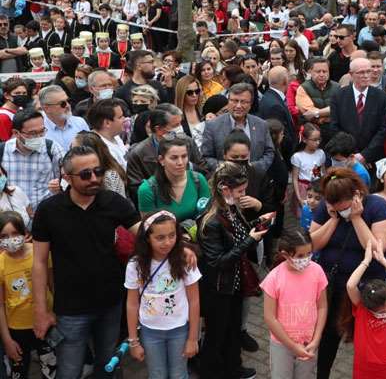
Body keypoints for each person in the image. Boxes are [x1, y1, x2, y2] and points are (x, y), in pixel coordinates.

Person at [31, 146, 145, 379]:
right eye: (85, 174)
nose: (94, 178)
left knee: (108, 364)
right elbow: (40, 262)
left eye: (98, 171)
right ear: (67, 177)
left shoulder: (113, 202)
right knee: (70, 370)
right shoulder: (49, 210)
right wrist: (41, 310)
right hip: (70, 308)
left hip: (111, 302)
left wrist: (179, 246)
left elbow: (144, 234)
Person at [309, 169, 386, 379]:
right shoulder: (328, 207)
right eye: (336, 207)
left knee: (365, 339)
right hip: (334, 284)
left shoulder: (377, 206)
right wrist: (334, 219)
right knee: (329, 335)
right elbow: (313, 243)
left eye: (345, 207)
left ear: (357, 195)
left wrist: (355, 218)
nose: (342, 211)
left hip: (367, 287)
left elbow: (376, 251)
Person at [196, 162, 276, 379]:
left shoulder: (231, 208)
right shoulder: (211, 220)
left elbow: (239, 234)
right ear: (224, 189)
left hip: (234, 283)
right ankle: (211, 372)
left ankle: (233, 368)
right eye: (240, 191)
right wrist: (251, 239)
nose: (243, 195)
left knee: (232, 331)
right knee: (216, 336)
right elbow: (218, 261)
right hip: (219, 288)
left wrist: (258, 223)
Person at [125, 211, 201, 379]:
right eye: (160, 238)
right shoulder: (135, 265)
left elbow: (194, 300)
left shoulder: (185, 260)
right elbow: (132, 303)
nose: (167, 242)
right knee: (157, 374)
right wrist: (133, 341)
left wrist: (193, 338)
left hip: (180, 329)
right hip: (150, 331)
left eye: (172, 235)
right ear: (147, 238)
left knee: (179, 374)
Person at [262, 229, 328, 379]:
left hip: (309, 343)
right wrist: (292, 346)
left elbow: (322, 306)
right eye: (300, 256)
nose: (306, 259)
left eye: (309, 254)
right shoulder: (274, 278)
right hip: (281, 345)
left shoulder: (317, 271)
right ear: (285, 254)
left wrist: (316, 339)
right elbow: (269, 317)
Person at [0, 210, 56, 379]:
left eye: (15, 233)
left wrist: (55, 313)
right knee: (19, 371)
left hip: (46, 324)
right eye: (4, 236)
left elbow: (53, 286)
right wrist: (7, 340)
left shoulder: (40, 254)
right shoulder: (1, 264)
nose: (10, 239)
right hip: (17, 329)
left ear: (25, 233)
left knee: (51, 368)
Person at [345, 237, 386, 379]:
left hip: (382, 363)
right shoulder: (364, 307)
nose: (385, 309)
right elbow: (350, 285)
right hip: (365, 364)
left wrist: (374, 260)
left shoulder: (364, 307)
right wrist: (371, 261)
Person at [202, 83, 275, 173]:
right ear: (228, 101)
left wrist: (254, 168)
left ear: (250, 104)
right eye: (235, 101)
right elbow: (206, 156)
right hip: (225, 181)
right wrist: (227, 168)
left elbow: (269, 152)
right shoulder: (212, 126)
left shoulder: (261, 125)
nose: (238, 106)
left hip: (255, 181)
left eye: (243, 102)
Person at [330, 57, 386, 165]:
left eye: (368, 71)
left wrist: (365, 155)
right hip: (347, 157)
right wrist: (353, 154)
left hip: (373, 158)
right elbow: (335, 127)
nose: (366, 76)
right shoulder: (338, 96)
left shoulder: (381, 97)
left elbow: (383, 129)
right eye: (361, 72)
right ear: (351, 74)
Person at [137, 137, 211, 224]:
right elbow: (151, 229)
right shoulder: (147, 190)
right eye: (174, 158)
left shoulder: (198, 180)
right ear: (161, 160)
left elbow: (208, 217)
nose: (180, 162)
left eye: (184, 156)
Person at [2, 108, 64, 211]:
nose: (39, 137)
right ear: (16, 133)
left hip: (45, 214)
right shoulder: (2, 151)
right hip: (12, 218)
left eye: (42, 131)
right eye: (33, 133)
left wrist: (60, 186)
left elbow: (69, 177)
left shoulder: (52, 148)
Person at [290, 122, 326, 211]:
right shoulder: (298, 157)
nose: (317, 142)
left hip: (318, 187)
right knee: (306, 211)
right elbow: (295, 178)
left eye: (319, 139)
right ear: (305, 140)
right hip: (304, 189)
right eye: (314, 140)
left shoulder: (321, 153)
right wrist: (299, 197)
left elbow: (323, 171)